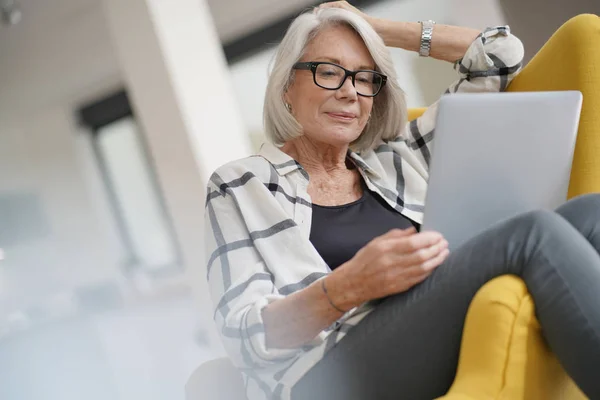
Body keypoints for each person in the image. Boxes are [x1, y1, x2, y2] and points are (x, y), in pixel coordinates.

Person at [204, 2, 600, 399]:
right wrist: (349, 286)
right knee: (532, 234)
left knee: (592, 212)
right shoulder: (241, 183)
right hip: (324, 371)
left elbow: (497, 55)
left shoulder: (399, 157)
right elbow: (244, 335)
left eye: (364, 78)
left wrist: (373, 28)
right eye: (328, 72)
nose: (349, 91)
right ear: (287, 87)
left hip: (430, 328)